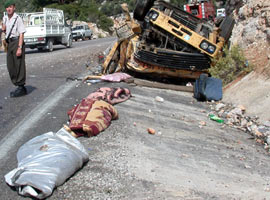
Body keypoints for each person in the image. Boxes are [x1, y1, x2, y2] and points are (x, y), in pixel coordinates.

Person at [2, 0, 27, 97]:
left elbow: (21, 34)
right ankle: (18, 84)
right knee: (10, 65)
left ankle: (21, 86)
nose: (9, 9)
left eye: (10, 7)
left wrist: (20, 47)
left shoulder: (18, 18)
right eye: (7, 7)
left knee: (19, 64)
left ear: (14, 8)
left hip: (17, 42)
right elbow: (4, 29)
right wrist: (3, 27)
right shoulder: (5, 18)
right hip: (9, 43)